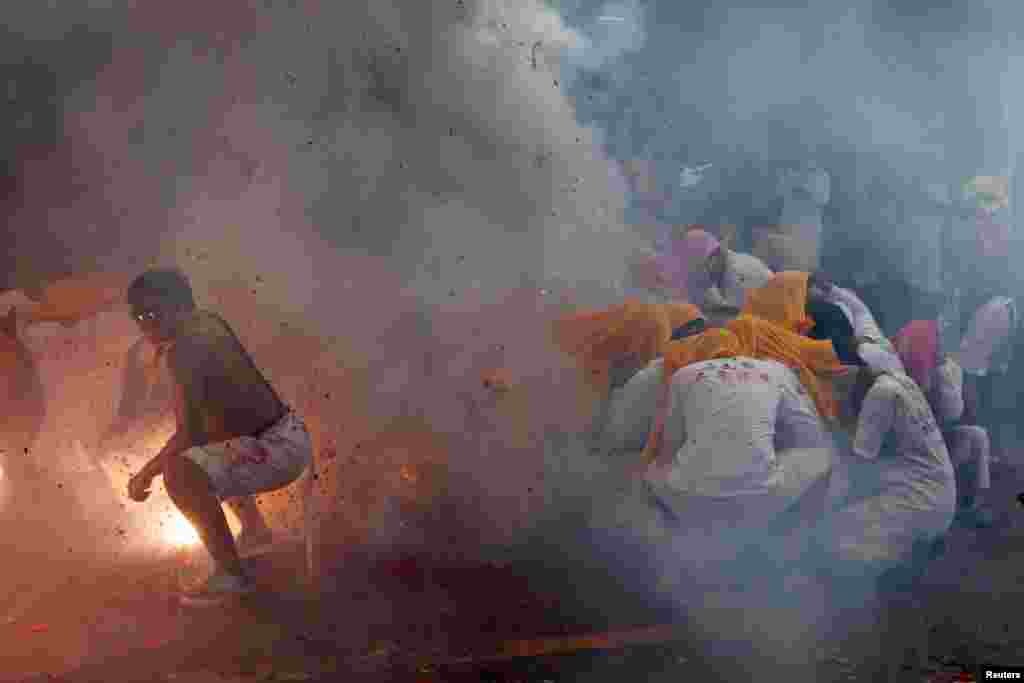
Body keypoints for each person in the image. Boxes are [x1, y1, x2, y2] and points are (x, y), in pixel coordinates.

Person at [124, 269, 312, 607]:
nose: (145, 324)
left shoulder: (185, 349)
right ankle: (255, 532)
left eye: (153, 314)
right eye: (138, 316)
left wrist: (144, 474)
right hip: (286, 436)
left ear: (180, 307)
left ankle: (231, 576)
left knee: (181, 472)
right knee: (210, 450)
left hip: (275, 449)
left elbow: (188, 433)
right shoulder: (208, 322)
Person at [820, 350, 956, 580]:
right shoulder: (904, 383)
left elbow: (859, 461)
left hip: (922, 498)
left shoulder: (880, 394)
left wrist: (826, 507)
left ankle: (903, 565)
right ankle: (917, 545)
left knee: (838, 533)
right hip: (939, 489)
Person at [893, 320, 993, 528]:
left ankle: (976, 504)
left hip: (941, 430)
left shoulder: (950, 368)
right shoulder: (925, 362)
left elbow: (955, 412)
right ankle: (934, 505)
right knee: (965, 445)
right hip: (922, 435)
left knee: (978, 436)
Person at [652, 227, 773, 318]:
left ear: (712, 259)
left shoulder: (739, 274)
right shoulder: (721, 268)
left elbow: (739, 318)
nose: (700, 275)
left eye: (699, 269)